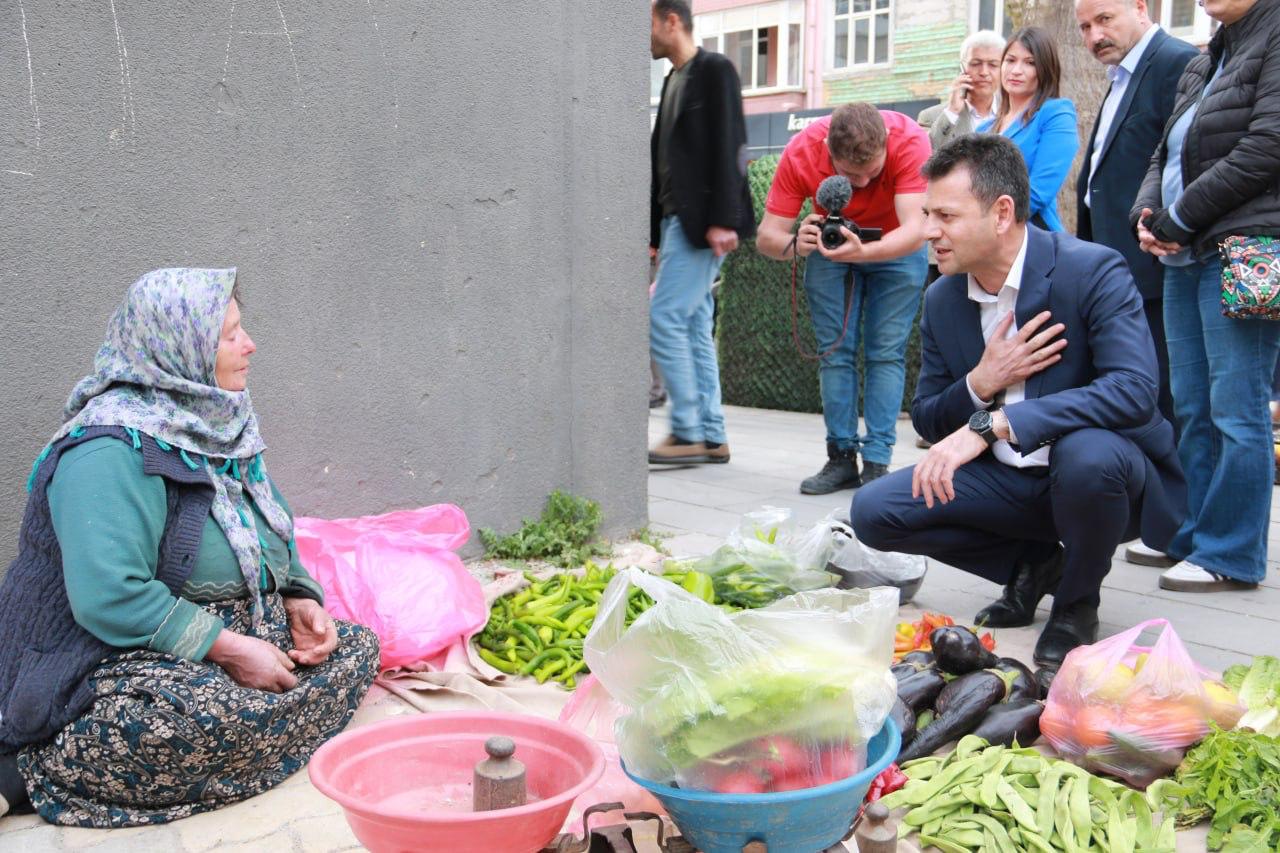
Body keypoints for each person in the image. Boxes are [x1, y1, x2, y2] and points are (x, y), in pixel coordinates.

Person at [0, 268, 380, 826]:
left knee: (357, 649)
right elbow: (109, 598)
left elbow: (268, 524)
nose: (249, 345)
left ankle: (249, 735)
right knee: (182, 722)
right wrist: (229, 649)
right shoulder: (107, 451)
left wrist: (299, 597)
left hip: (230, 631)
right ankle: (29, 770)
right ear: (180, 349)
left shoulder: (220, 423)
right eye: (229, 335)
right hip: (111, 654)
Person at [852, 135, 1185, 682]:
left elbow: (1133, 390)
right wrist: (980, 383)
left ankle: (1076, 603)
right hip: (1008, 482)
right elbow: (930, 417)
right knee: (873, 511)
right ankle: (1034, 565)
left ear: (1002, 212)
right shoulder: (942, 298)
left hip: (1103, 480)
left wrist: (998, 422)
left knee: (1088, 456)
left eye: (946, 216)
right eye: (928, 213)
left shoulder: (1091, 270)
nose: (928, 230)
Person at [1132, 0, 1280, 593]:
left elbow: (1267, 146)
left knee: (1237, 408)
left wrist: (1179, 216)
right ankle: (1193, 534)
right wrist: (1147, 212)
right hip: (1185, 252)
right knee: (1192, 406)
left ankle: (1231, 552)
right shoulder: (1206, 56)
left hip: (1246, 247)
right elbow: (1163, 151)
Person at [1074, 0, 1199, 569]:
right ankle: (1164, 523)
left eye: (1104, 19)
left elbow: (1182, 158)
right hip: (1120, 265)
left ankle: (1176, 529)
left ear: (1141, 8)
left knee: (1168, 399)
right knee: (1148, 397)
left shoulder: (1175, 61)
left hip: (1155, 262)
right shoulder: (1123, 75)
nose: (1094, 35)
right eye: (1084, 26)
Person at [756, 102, 929, 494]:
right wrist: (794, 244)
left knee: (886, 353)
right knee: (834, 354)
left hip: (897, 250)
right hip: (829, 252)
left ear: (887, 142)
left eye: (873, 172)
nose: (863, 184)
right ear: (827, 151)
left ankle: (877, 463)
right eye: (851, 175)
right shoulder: (803, 150)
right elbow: (767, 236)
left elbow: (916, 229)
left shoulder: (909, 140)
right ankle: (841, 458)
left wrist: (864, 251)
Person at [647, 0, 755, 465]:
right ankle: (711, 434)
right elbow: (663, 162)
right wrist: (654, 232)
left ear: (672, 21)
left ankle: (687, 430)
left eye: (648, 24)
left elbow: (731, 145)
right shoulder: (673, 79)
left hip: (701, 225)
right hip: (676, 223)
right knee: (691, 324)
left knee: (663, 316)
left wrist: (724, 219)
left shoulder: (715, 70)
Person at [978, 26, 1079, 232]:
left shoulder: (1055, 113)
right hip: (985, 238)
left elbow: (1040, 191)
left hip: (1032, 235)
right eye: (1010, 60)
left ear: (1045, 69)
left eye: (1030, 63)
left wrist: (988, 224)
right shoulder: (983, 129)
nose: (1016, 70)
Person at [917, 30, 1006, 151]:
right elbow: (925, 154)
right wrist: (952, 111)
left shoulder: (1015, 114)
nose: (984, 72)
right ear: (962, 67)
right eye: (975, 63)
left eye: (993, 65)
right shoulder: (931, 117)